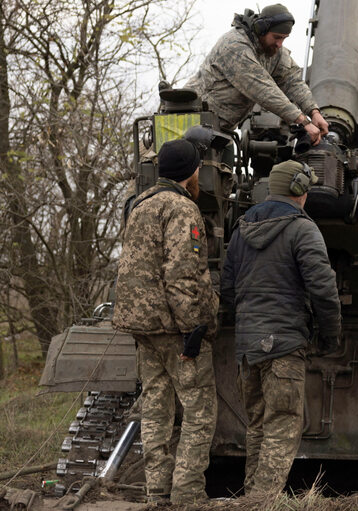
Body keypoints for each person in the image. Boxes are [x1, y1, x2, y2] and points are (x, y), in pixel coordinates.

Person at [220, 160, 341, 495]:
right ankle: (263, 501)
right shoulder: (303, 229)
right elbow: (323, 289)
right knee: (284, 423)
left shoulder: (241, 229)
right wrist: (329, 335)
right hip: (285, 344)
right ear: (299, 190)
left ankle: (251, 496)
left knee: (257, 425)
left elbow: (227, 290)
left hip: (247, 346)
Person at [113, 138, 219, 504]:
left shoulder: (140, 205)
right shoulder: (183, 209)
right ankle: (188, 494)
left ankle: (157, 491)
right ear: (191, 172)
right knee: (200, 410)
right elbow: (181, 277)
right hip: (174, 328)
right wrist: (195, 329)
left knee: (156, 409)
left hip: (141, 327)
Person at [186, 3, 329, 145]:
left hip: (219, 131)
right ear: (261, 29)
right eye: (276, 37)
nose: (279, 44)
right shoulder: (234, 46)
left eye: (284, 38)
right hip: (190, 123)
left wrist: (314, 112)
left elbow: (292, 81)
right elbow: (262, 90)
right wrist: (303, 121)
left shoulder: (274, 53)